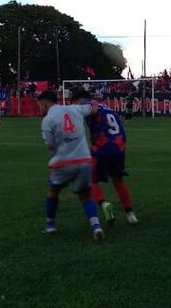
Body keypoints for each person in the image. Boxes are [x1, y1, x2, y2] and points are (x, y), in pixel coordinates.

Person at [37, 90, 104, 240]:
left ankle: (50, 225)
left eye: (40, 106)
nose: (39, 109)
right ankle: (96, 226)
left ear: (46, 104)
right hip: (84, 160)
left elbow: (50, 145)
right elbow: (94, 106)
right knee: (86, 196)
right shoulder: (75, 108)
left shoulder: (48, 119)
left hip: (63, 161)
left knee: (53, 191)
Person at [72, 90, 137, 226]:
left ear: (79, 101)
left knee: (91, 181)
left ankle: (103, 203)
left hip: (103, 147)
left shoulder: (88, 105)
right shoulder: (108, 108)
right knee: (118, 180)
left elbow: (93, 109)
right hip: (119, 147)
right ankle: (130, 213)